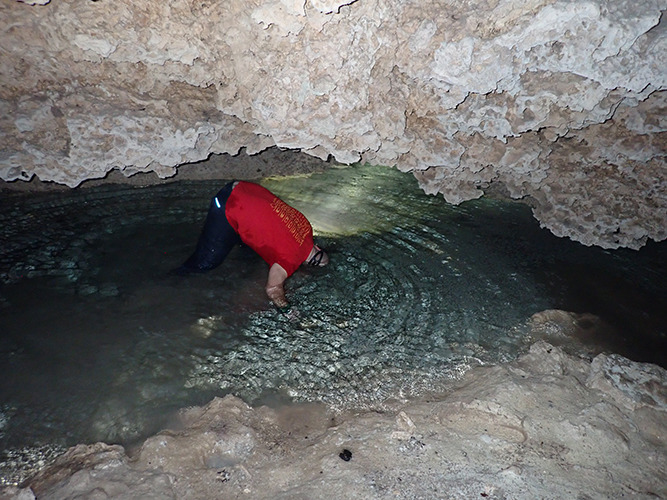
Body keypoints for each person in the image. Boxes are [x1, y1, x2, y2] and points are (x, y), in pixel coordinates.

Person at [175, 181, 329, 313]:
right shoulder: (289, 261)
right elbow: (273, 289)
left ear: (317, 248)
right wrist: (287, 310)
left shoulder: (305, 227)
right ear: (304, 264)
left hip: (243, 187)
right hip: (228, 204)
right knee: (206, 263)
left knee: (250, 251)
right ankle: (171, 279)